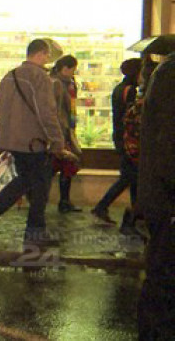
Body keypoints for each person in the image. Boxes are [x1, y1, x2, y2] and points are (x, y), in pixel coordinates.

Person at [0, 39, 76, 246]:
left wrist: (13, 124)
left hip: (11, 140)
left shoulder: (10, 75)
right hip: (33, 141)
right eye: (47, 56)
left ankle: (28, 228)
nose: (48, 60)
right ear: (40, 54)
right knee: (37, 184)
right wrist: (57, 141)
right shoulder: (40, 77)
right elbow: (47, 113)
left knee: (30, 181)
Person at [137, 52, 175, 340]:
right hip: (167, 201)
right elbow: (167, 146)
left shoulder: (166, 72)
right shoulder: (170, 75)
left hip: (162, 197)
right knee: (164, 281)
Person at [92, 58, 142, 224]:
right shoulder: (131, 91)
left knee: (132, 177)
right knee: (129, 177)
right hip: (128, 139)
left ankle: (136, 212)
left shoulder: (120, 88)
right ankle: (102, 206)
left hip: (121, 137)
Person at [49, 55, 83, 213]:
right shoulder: (56, 83)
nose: (73, 73)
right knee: (61, 164)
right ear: (65, 68)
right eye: (73, 69)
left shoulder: (68, 83)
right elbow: (55, 110)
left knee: (65, 165)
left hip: (66, 130)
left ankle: (64, 201)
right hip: (60, 131)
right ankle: (61, 201)